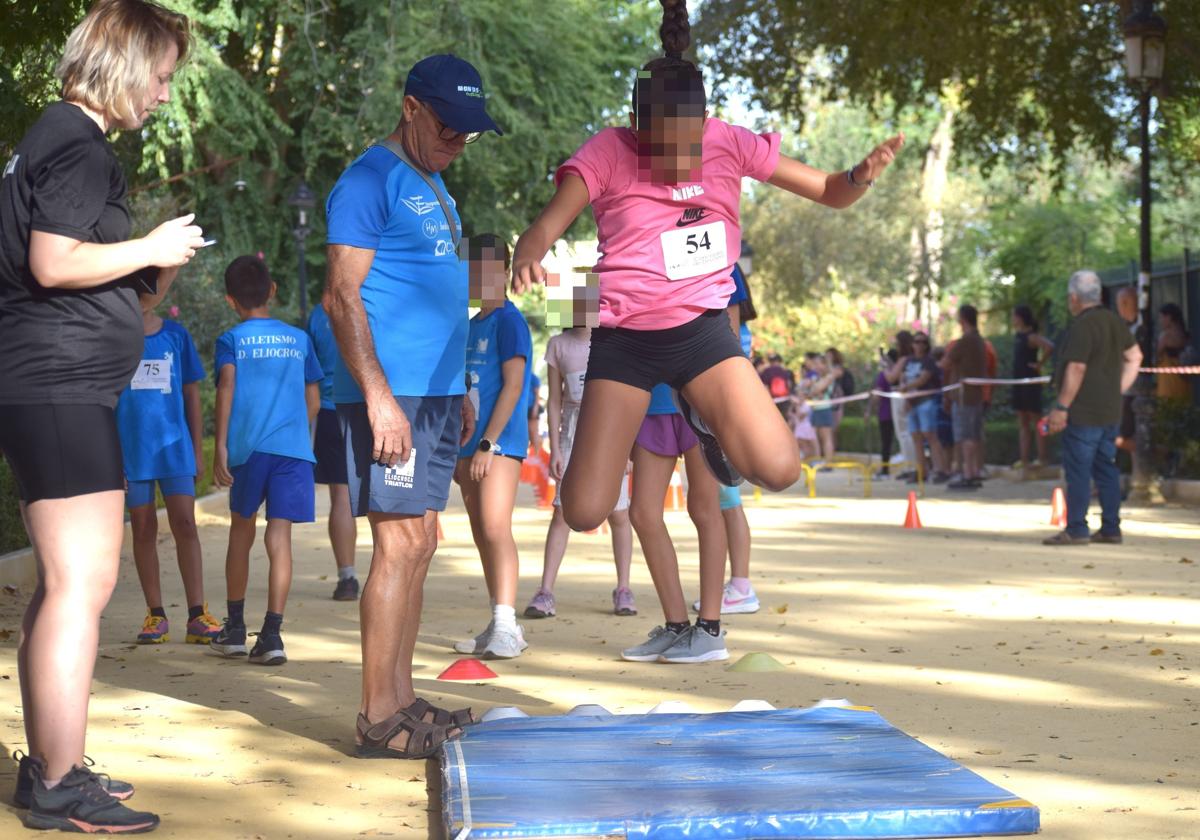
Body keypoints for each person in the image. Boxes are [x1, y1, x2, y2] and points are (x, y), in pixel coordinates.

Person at [510, 0, 902, 532]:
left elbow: (832, 192)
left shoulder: (730, 143)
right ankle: (683, 414)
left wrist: (861, 173)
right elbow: (544, 227)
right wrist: (529, 253)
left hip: (703, 333)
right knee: (582, 512)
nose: (676, 160)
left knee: (781, 469)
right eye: (660, 146)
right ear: (633, 125)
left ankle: (705, 416)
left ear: (704, 121)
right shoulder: (607, 150)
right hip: (626, 341)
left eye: (688, 143)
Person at [0, 1, 200, 831]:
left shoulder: (54, 137)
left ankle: (52, 764)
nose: (161, 95)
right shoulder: (76, 143)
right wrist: (150, 247)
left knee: (62, 584)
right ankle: (56, 782)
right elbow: (54, 261)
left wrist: (141, 276)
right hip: (57, 387)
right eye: (159, 78)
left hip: (51, 385)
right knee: (85, 582)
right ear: (124, 64)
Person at [324, 53, 497, 759]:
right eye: (449, 127)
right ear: (411, 108)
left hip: (431, 395)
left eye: (468, 134)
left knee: (422, 542)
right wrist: (378, 396)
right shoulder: (368, 179)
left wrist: (456, 387)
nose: (458, 142)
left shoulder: (434, 186)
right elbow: (343, 294)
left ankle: (401, 700)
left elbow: (432, 296)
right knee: (397, 544)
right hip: (389, 396)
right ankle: (376, 718)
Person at [209, 256, 323, 665]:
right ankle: (272, 635)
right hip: (293, 452)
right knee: (280, 539)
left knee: (241, 532)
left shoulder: (232, 339)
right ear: (272, 289)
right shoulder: (299, 339)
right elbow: (314, 399)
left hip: (249, 450)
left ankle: (235, 629)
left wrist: (221, 445)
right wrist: (289, 426)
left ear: (229, 299)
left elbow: (226, 385)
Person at [117, 283, 220, 645]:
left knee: (185, 524)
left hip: (174, 451)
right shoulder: (114, 339)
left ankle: (197, 614)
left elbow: (192, 393)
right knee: (142, 528)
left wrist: (196, 448)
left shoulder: (176, 335)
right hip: (132, 453)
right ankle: (155, 615)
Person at [452, 235, 533, 659]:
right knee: (482, 532)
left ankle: (506, 623)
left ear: (501, 272)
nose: (475, 278)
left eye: (483, 269)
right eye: (469, 269)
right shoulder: (472, 323)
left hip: (498, 444)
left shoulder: (509, 321)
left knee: (497, 528)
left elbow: (515, 385)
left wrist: (488, 442)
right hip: (469, 446)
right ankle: (501, 622)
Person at [525, 323, 636, 620]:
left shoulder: (615, 341)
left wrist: (626, 450)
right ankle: (545, 591)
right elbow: (555, 402)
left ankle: (623, 588)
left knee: (619, 513)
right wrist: (556, 450)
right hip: (572, 436)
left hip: (610, 434)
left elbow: (626, 398)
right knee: (562, 511)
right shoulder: (558, 345)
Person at [622, 385, 729, 663]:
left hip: (698, 404)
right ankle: (677, 627)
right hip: (650, 404)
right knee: (643, 513)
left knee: (704, 508)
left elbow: (731, 349)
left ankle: (710, 629)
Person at [1044, 270, 1142, 545]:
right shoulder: (1114, 321)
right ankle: (1111, 527)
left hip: (1083, 410)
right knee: (1106, 467)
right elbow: (1135, 356)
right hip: (1110, 409)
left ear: (1074, 298)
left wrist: (1062, 406)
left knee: (1079, 469)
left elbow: (1076, 367)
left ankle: (1077, 527)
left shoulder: (1082, 326)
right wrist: (1118, 388)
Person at [699, 264, 759, 615]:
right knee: (725, 500)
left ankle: (740, 584)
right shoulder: (742, 332)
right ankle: (737, 583)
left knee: (727, 499)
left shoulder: (734, 334)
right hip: (720, 408)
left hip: (721, 410)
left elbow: (730, 353)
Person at [308, 302, 359, 600]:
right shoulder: (373, 301)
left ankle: (347, 577)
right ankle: (389, 571)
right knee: (384, 498)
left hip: (329, 411)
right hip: (370, 409)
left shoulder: (318, 315)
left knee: (340, 496)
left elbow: (309, 371)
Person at [892, 332, 949, 483]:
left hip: (926, 401)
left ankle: (940, 470)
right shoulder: (908, 361)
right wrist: (905, 395)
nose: (919, 345)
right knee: (916, 437)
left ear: (926, 344)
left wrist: (905, 388)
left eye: (922, 342)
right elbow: (902, 378)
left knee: (930, 435)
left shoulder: (928, 361)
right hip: (912, 402)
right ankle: (922, 472)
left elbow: (923, 379)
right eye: (916, 342)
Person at [944, 304, 988, 490]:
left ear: (963, 320)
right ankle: (974, 471)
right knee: (974, 434)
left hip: (965, 396)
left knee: (966, 435)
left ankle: (969, 473)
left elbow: (946, 362)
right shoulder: (980, 341)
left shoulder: (966, 341)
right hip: (975, 394)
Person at [1010, 304, 1054, 470]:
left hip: (1030, 381)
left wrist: (1039, 364)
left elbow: (1050, 346)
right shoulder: (1018, 336)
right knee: (1022, 421)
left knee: (1037, 420)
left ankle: (1043, 457)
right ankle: (1024, 459)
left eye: (1014, 316)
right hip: (1018, 381)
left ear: (1020, 318)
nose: (1012, 320)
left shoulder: (1031, 336)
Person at [886, 331, 919, 479]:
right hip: (908, 395)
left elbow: (891, 377)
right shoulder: (912, 359)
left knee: (904, 433)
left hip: (901, 397)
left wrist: (885, 367)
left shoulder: (904, 359)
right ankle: (910, 465)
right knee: (908, 433)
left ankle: (910, 466)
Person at [1114, 287, 1140, 453]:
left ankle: (1167, 455)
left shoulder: (1139, 328)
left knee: (1117, 437)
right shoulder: (1127, 328)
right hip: (1126, 390)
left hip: (1133, 390)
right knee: (1127, 435)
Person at [806, 353, 838, 468]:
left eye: (818, 364)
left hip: (824, 409)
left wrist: (814, 389)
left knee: (826, 438)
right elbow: (808, 391)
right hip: (815, 409)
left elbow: (815, 390)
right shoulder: (817, 377)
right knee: (816, 438)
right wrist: (813, 389)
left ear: (824, 365)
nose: (815, 366)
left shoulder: (828, 377)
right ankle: (818, 460)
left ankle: (828, 463)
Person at [869, 349, 898, 478]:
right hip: (890, 411)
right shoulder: (895, 373)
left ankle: (885, 470)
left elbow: (877, 395)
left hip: (886, 413)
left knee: (886, 442)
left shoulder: (884, 375)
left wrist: (870, 409)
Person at [1156, 303, 1192, 403]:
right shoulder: (1186, 335)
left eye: (1161, 317)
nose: (1160, 321)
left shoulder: (1165, 337)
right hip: (1185, 385)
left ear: (1169, 317)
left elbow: (1157, 357)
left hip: (1168, 385)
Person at [760, 352, 796, 419]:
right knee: (786, 420)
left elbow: (765, 387)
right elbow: (789, 384)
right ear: (779, 361)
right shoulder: (784, 371)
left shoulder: (766, 371)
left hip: (773, 401)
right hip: (785, 399)